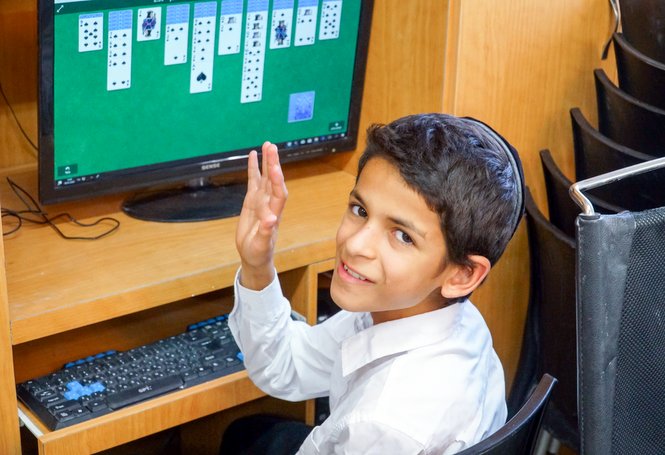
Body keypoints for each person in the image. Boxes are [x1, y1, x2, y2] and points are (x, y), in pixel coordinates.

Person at [222, 113, 525, 454]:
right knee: (248, 433)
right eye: (360, 210)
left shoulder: (383, 421)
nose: (355, 245)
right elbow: (285, 367)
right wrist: (257, 264)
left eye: (402, 236)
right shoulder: (430, 313)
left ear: (462, 274)